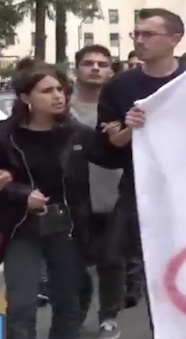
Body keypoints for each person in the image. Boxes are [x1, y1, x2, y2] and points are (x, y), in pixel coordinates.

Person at [0, 62, 112, 339]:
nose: (58, 96)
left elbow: (113, 159)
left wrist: (125, 133)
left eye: (60, 89)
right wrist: (17, 192)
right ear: (26, 98)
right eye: (47, 91)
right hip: (20, 227)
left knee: (67, 300)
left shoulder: (78, 135)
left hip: (68, 226)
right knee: (22, 302)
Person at [95, 8, 186, 331]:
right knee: (151, 271)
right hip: (141, 193)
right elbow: (111, 144)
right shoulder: (118, 87)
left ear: (175, 38)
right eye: (136, 34)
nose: (139, 40)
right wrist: (129, 128)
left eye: (148, 34)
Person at [69, 45, 125, 339]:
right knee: (74, 263)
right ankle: (75, 316)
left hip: (113, 193)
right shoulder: (61, 109)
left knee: (111, 258)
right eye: (88, 63)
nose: (95, 68)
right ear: (76, 69)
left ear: (111, 72)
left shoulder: (121, 109)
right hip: (71, 198)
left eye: (102, 64)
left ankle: (109, 317)